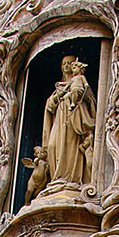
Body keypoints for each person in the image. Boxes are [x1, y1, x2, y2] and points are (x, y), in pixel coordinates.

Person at [41, 55, 96, 186]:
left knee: (70, 146)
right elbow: (49, 106)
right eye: (64, 63)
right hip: (60, 117)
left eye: (69, 63)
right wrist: (57, 97)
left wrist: (82, 95)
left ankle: (71, 180)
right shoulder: (59, 87)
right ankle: (56, 179)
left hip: (75, 117)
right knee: (52, 145)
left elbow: (90, 99)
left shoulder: (80, 80)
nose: (66, 65)